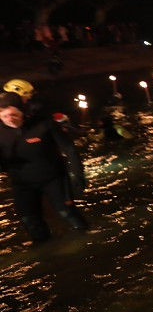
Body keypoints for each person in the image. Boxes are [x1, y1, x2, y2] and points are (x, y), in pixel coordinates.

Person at [0, 92, 89, 243]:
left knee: (67, 212)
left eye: (13, 115)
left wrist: (77, 174)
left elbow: (69, 149)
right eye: (4, 116)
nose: (10, 119)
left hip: (53, 178)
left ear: (22, 111)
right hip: (22, 183)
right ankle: (46, 252)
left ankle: (88, 238)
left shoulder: (44, 124)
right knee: (30, 221)